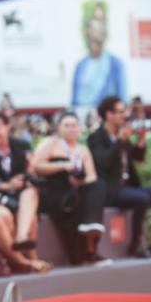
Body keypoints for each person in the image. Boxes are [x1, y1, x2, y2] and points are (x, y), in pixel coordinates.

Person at [88, 95, 151, 258]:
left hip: (129, 187)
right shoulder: (96, 138)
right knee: (141, 198)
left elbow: (137, 157)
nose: (124, 116)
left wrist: (140, 143)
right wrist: (120, 140)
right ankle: (135, 246)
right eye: (120, 112)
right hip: (111, 190)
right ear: (109, 115)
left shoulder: (120, 136)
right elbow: (103, 162)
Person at [32, 111, 108, 265]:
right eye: (66, 125)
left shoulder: (83, 149)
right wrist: (62, 166)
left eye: (74, 125)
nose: (71, 129)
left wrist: (79, 181)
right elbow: (36, 166)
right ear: (59, 128)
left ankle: (91, 231)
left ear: (79, 128)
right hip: (56, 191)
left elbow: (91, 176)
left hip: (77, 189)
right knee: (74, 206)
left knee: (98, 187)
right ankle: (82, 252)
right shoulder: (50, 143)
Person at [0, 113, 51, 273]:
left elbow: (30, 172)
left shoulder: (21, 144)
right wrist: (6, 185)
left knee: (30, 194)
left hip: (21, 194)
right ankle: (26, 260)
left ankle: (22, 239)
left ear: (7, 127)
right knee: (17, 213)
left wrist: (28, 170)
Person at [71, 1, 126, 107]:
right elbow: (73, 103)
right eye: (97, 20)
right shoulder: (80, 66)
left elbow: (122, 103)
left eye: (104, 20)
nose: (102, 26)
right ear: (87, 27)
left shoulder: (116, 65)